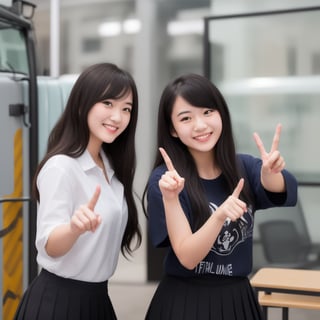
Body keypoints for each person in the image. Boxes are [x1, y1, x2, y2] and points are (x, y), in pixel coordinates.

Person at [143, 73, 297, 320]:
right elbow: (188, 257)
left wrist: (271, 172)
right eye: (186, 118)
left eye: (207, 112)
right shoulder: (166, 181)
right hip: (184, 303)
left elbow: (274, 187)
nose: (201, 125)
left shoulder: (244, 167)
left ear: (221, 114)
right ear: (172, 129)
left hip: (238, 299)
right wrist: (219, 215)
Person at [14, 62, 141, 320]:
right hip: (58, 303)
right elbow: (49, 245)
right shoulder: (61, 167)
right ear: (82, 103)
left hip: (98, 300)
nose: (118, 117)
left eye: (126, 109)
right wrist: (74, 228)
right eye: (108, 103)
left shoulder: (112, 169)